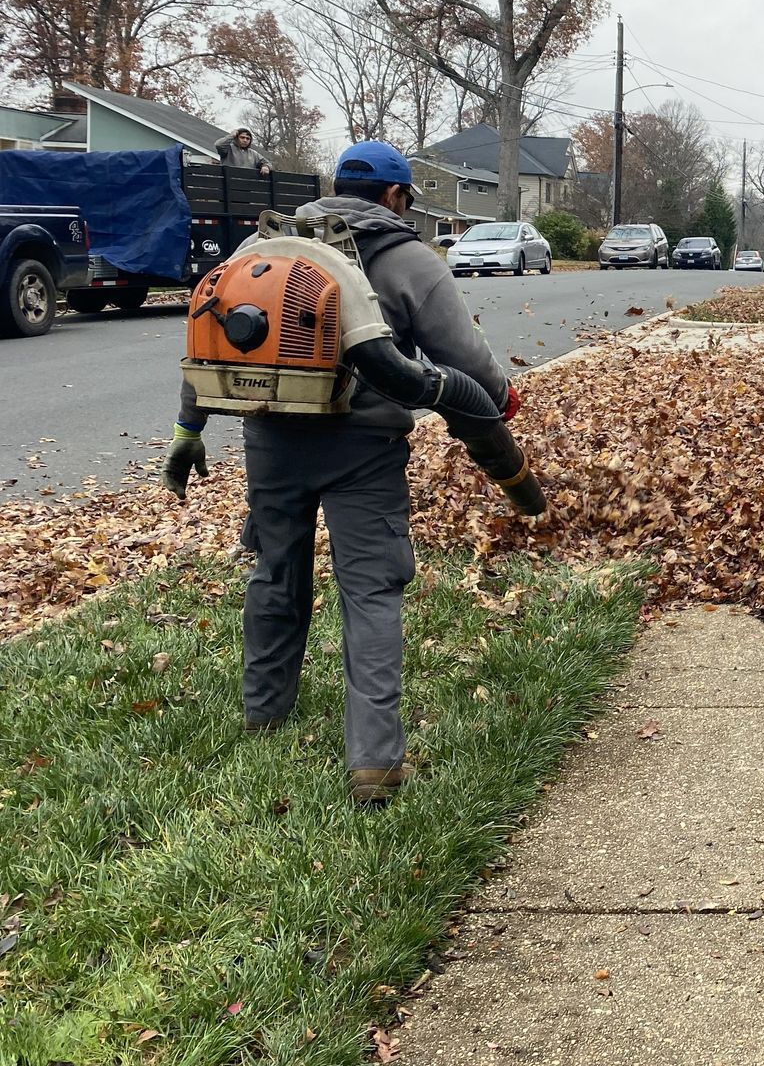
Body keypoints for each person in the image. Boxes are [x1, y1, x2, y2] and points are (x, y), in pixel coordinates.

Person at [162, 141, 519, 805]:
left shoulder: (261, 251)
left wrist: (188, 432)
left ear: (334, 188)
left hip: (270, 441)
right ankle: (375, 764)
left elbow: (210, 341)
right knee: (371, 594)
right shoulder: (410, 259)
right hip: (366, 450)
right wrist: (498, 403)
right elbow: (463, 357)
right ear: (395, 197)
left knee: (274, 570)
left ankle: (264, 709)